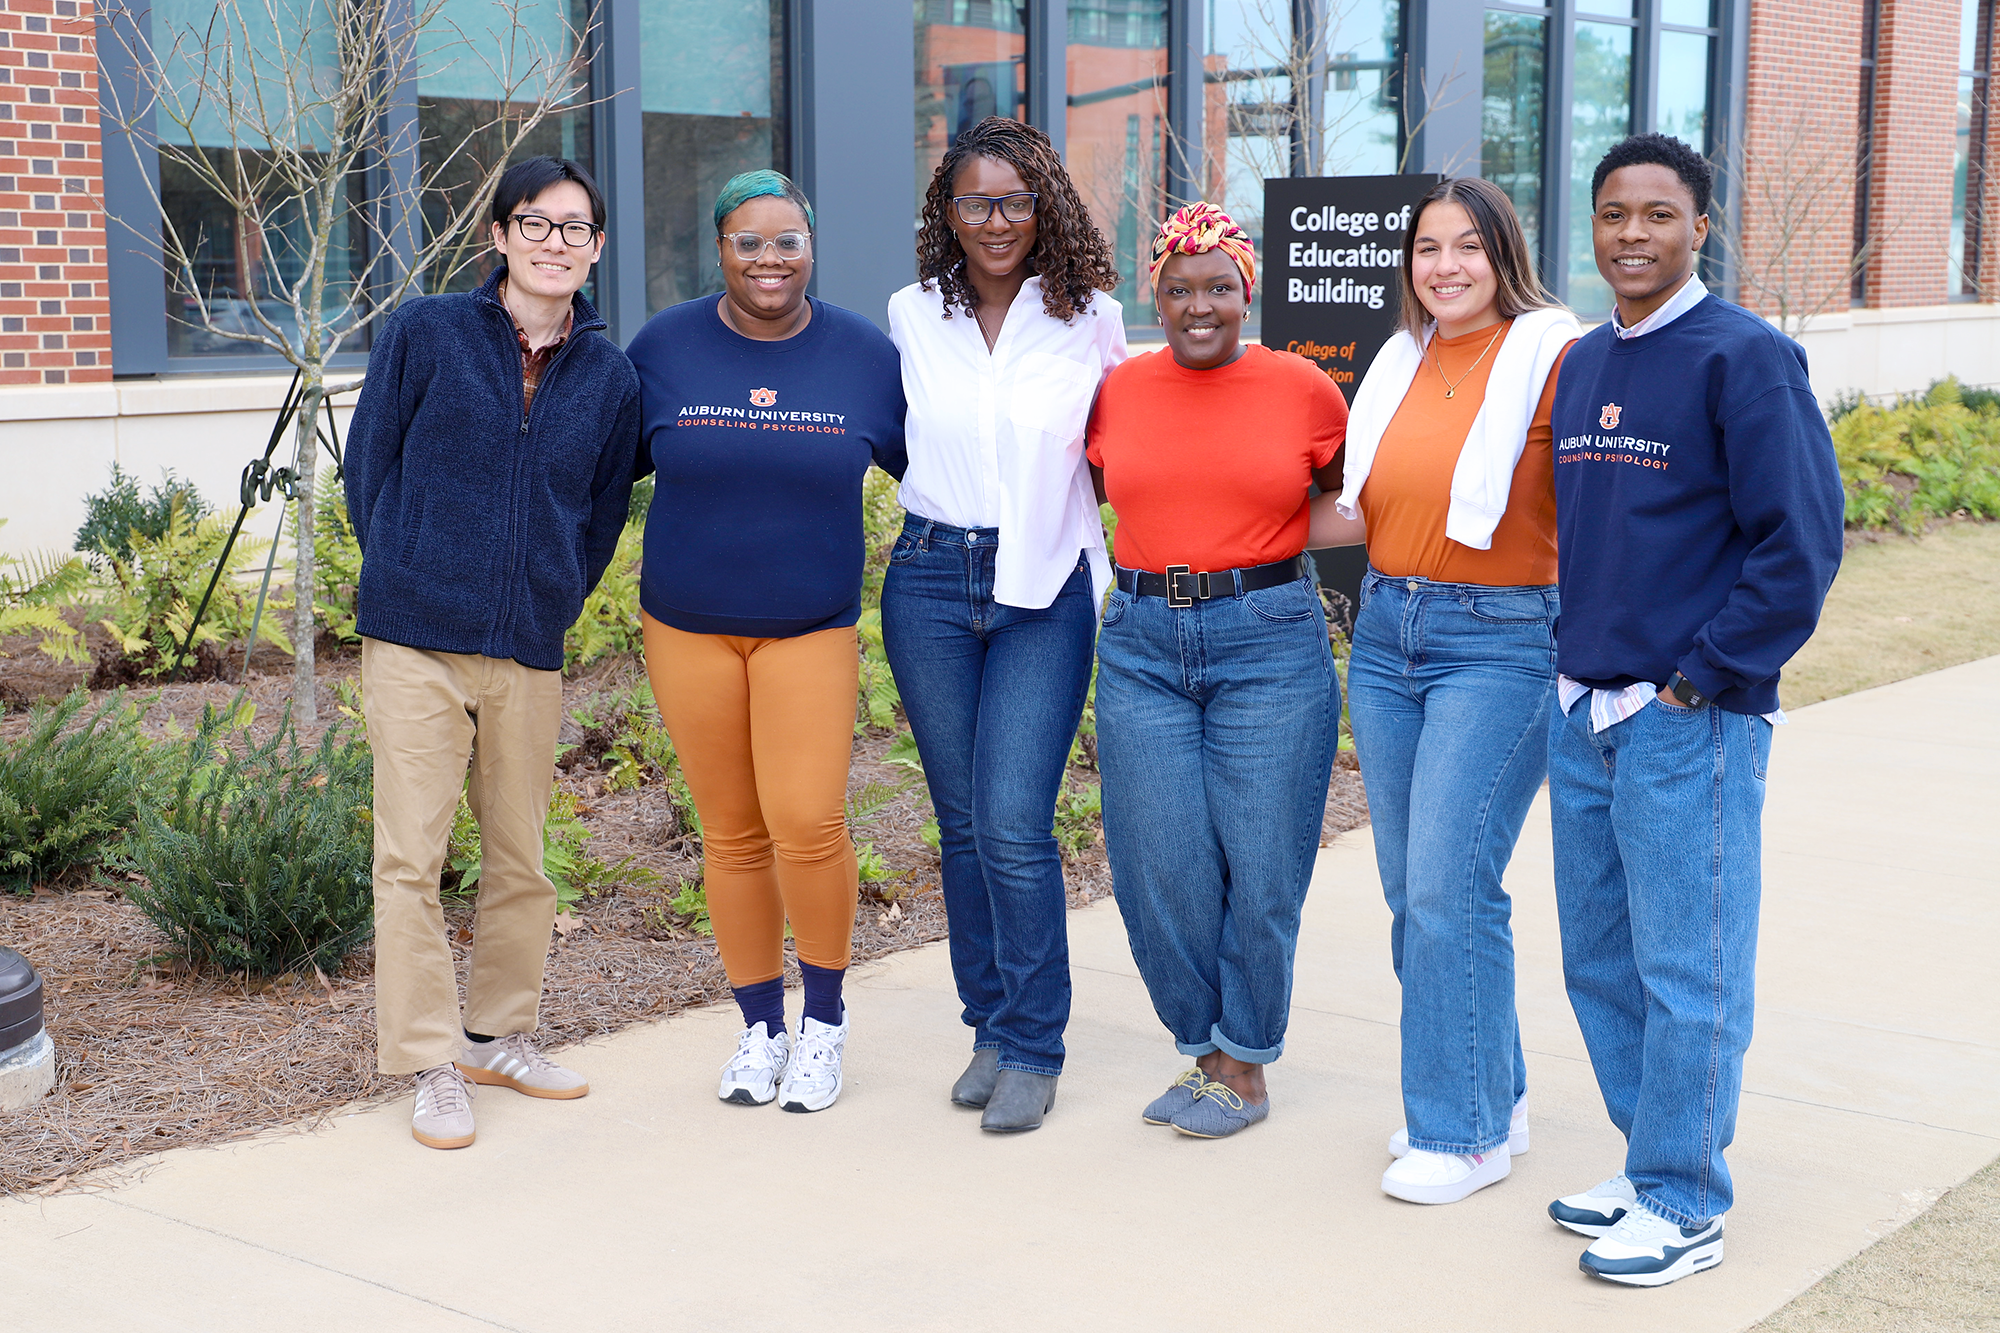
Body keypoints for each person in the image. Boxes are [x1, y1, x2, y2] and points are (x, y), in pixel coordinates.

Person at [1543, 133, 1843, 1285]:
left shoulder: (1744, 357)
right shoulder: (1582, 362)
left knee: (1690, 972)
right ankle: (1647, 1159)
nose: (1630, 234)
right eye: (1612, 214)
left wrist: (1696, 677)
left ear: (1697, 227)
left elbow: (1799, 548)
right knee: (1603, 963)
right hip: (1584, 708)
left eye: (1655, 215)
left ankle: (1683, 1199)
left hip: (1687, 719)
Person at [345, 156, 641, 1150]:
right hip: (415, 639)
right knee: (410, 860)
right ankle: (431, 1059)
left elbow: (600, 512)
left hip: (526, 644)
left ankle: (500, 1035)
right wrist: (403, 566)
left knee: (521, 859)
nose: (555, 242)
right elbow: (369, 467)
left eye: (574, 228)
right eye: (536, 223)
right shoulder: (425, 333)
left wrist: (554, 594)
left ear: (596, 249)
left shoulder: (609, 376)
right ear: (500, 235)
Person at [625, 170, 907, 1114]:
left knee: (808, 820)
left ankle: (822, 1025)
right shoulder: (664, 346)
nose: (770, 258)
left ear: (811, 247)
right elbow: (595, 474)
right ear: (721, 249)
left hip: (808, 629)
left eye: (787, 239)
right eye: (750, 240)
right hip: (686, 627)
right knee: (733, 836)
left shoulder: (865, 357)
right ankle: (758, 1028)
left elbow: (939, 478)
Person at [1327, 178, 1580, 1203]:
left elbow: (1606, 491)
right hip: (1387, 632)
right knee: (1417, 887)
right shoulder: (1399, 359)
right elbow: (1366, 507)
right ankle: (1491, 1091)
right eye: (1426, 248)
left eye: (1465, 247)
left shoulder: (1553, 351)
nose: (1443, 266)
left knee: (1443, 882)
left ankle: (1461, 1129)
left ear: (1501, 253)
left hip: (1503, 641)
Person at [883, 116, 1124, 1133]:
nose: (994, 221)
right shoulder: (908, 313)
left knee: (1016, 823)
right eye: (975, 201)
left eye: (1013, 201)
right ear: (948, 209)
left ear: (1044, 209)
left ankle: (1033, 1040)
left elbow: (1124, 448)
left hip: (1042, 584)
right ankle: (986, 1022)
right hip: (930, 575)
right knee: (962, 824)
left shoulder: (1091, 318)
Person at [1087, 203, 1346, 1140]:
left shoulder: (1305, 389)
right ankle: (1201, 1044)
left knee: (1263, 859)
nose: (1201, 306)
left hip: (1267, 634)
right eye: (1180, 289)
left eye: (1220, 288)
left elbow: (1345, 500)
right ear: (1154, 294)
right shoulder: (1118, 390)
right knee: (1158, 861)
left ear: (1249, 291)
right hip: (1144, 637)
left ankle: (1244, 1060)